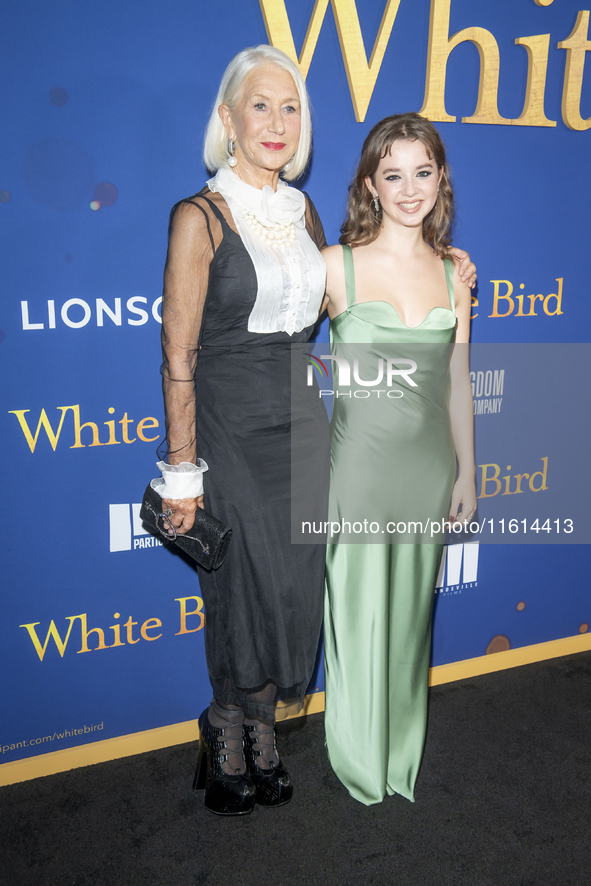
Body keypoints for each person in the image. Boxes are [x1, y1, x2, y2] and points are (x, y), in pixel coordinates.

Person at [157, 46, 477, 816]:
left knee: (296, 586)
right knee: (240, 581)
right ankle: (226, 729)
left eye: (290, 107)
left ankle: (263, 728)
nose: (276, 122)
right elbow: (176, 353)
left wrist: (448, 268)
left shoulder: (298, 214)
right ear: (228, 120)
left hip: (299, 411)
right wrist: (182, 470)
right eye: (259, 106)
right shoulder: (198, 216)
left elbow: (361, 305)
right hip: (226, 416)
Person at [322, 113, 477, 805]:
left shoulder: (454, 273)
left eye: (422, 172)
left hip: (426, 470)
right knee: (356, 614)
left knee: (411, 619)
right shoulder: (335, 265)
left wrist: (466, 471)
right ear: (369, 186)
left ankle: (398, 753)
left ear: (439, 178)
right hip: (356, 470)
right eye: (393, 175)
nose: (409, 188)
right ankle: (359, 758)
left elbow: (457, 380)